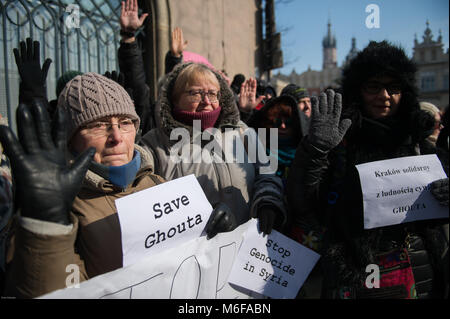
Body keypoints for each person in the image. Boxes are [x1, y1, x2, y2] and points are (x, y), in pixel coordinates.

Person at [1, 40, 236, 299]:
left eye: (125, 123)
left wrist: (214, 237)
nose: (116, 137)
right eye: (98, 125)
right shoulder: (61, 205)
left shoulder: (157, 183)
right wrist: (48, 227)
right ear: (70, 138)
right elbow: (57, 291)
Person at [287, 40, 449, 299]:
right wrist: (315, 149)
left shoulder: (418, 139)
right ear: (358, 90)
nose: (384, 96)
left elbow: (436, 212)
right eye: (373, 86)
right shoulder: (340, 139)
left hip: (420, 272)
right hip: (356, 276)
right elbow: (304, 202)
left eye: (393, 87)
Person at [139, 61, 287, 234]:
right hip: (192, 254)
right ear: (175, 99)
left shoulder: (242, 131)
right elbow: (144, 202)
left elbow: (267, 174)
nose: (206, 101)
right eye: (195, 93)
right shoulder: (154, 143)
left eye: (212, 93)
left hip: (246, 247)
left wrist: (267, 202)